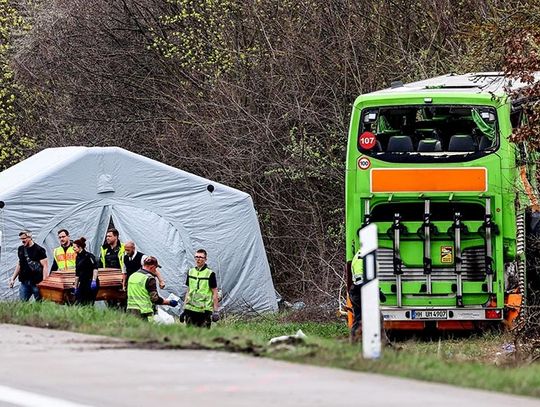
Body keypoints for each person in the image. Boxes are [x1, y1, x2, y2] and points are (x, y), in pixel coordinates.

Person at [126, 256, 177, 320]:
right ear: (152, 267)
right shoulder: (149, 278)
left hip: (130, 310)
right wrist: (169, 302)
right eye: (155, 268)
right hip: (144, 312)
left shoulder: (133, 276)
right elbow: (155, 299)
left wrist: (160, 279)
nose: (156, 271)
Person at [182, 249, 219, 328]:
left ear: (205, 259)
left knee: (203, 336)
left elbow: (215, 292)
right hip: (190, 309)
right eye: (196, 257)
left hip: (204, 310)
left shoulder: (210, 273)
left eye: (201, 257)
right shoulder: (190, 272)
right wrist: (184, 309)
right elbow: (188, 291)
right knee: (189, 335)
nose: (198, 259)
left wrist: (216, 311)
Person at [8, 230, 49, 301]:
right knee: (23, 305)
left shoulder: (39, 250)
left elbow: (45, 266)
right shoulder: (20, 249)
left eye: (24, 238)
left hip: (37, 282)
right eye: (21, 239)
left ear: (30, 238)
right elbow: (19, 264)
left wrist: (44, 282)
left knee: (40, 304)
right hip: (24, 283)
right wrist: (13, 278)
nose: (22, 241)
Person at [72, 237, 99, 306]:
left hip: (90, 281)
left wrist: (93, 280)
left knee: (89, 302)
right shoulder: (78, 258)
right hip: (83, 282)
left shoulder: (89, 256)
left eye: (74, 247)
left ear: (80, 247)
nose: (73, 249)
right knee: (81, 302)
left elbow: (95, 268)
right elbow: (77, 273)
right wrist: (76, 287)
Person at [349, 248, 364, 343]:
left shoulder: (365, 255)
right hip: (359, 291)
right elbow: (360, 279)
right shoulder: (361, 256)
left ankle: (355, 341)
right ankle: (354, 341)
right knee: (360, 318)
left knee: (360, 317)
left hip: (358, 291)